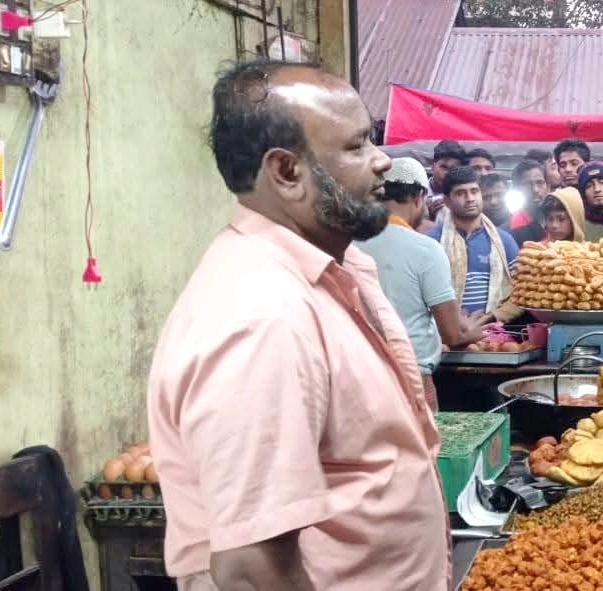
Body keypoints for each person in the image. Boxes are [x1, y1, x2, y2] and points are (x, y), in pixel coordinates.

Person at [146, 60, 449, 591]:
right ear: (287, 172)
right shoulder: (262, 318)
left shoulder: (335, 268)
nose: (382, 160)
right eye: (357, 146)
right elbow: (251, 568)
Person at [355, 157, 490, 407]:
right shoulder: (425, 249)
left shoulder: (350, 244)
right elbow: (453, 334)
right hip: (410, 376)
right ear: (418, 196)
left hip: (358, 374)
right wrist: (474, 330)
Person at [426, 166, 521, 324]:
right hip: (444, 333)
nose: (470, 198)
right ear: (447, 201)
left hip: (494, 332)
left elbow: (521, 292)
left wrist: (491, 317)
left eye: (474, 191)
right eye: (460, 193)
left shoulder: (504, 241)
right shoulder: (432, 242)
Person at [507, 159, 550, 244]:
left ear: (548, 185)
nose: (535, 190)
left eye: (540, 183)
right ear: (516, 189)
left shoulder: (560, 218)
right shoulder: (509, 229)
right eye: (527, 184)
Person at [429, 139, 466, 227]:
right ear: (433, 167)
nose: (447, 173)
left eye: (453, 169)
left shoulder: (464, 197)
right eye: (443, 167)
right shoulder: (418, 192)